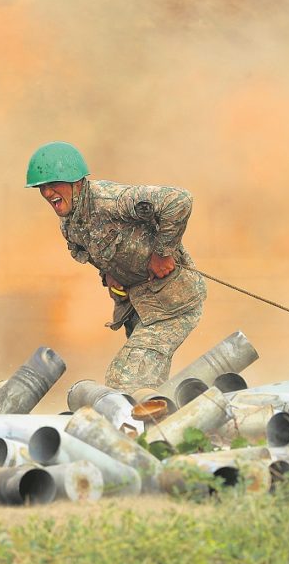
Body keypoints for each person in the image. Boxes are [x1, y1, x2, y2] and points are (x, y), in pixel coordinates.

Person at [26, 141, 206, 393]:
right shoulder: (70, 224)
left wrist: (162, 253)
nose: (47, 193)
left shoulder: (112, 201)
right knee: (145, 384)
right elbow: (96, 252)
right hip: (139, 308)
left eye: (53, 184)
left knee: (126, 382)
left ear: (77, 182)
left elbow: (179, 200)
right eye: (41, 187)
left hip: (172, 303)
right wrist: (109, 275)